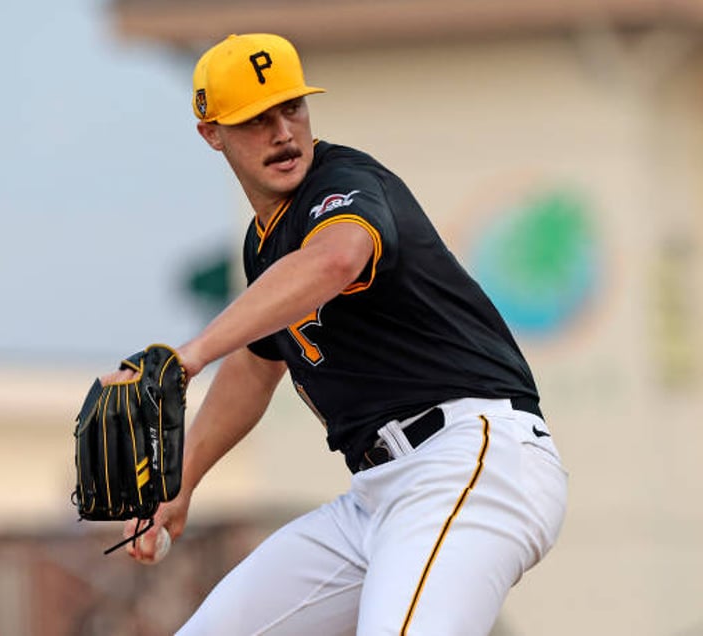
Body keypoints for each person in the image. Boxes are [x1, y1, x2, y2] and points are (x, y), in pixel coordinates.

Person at [103, 33, 568, 635]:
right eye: (255, 119)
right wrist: (179, 481)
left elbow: (335, 260)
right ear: (211, 133)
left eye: (291, 107)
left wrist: (189, 356)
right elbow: (253, 366)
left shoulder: (341, 182)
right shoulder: (264, 244)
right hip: (377, 496)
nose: (282, 132)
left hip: (470, 458)